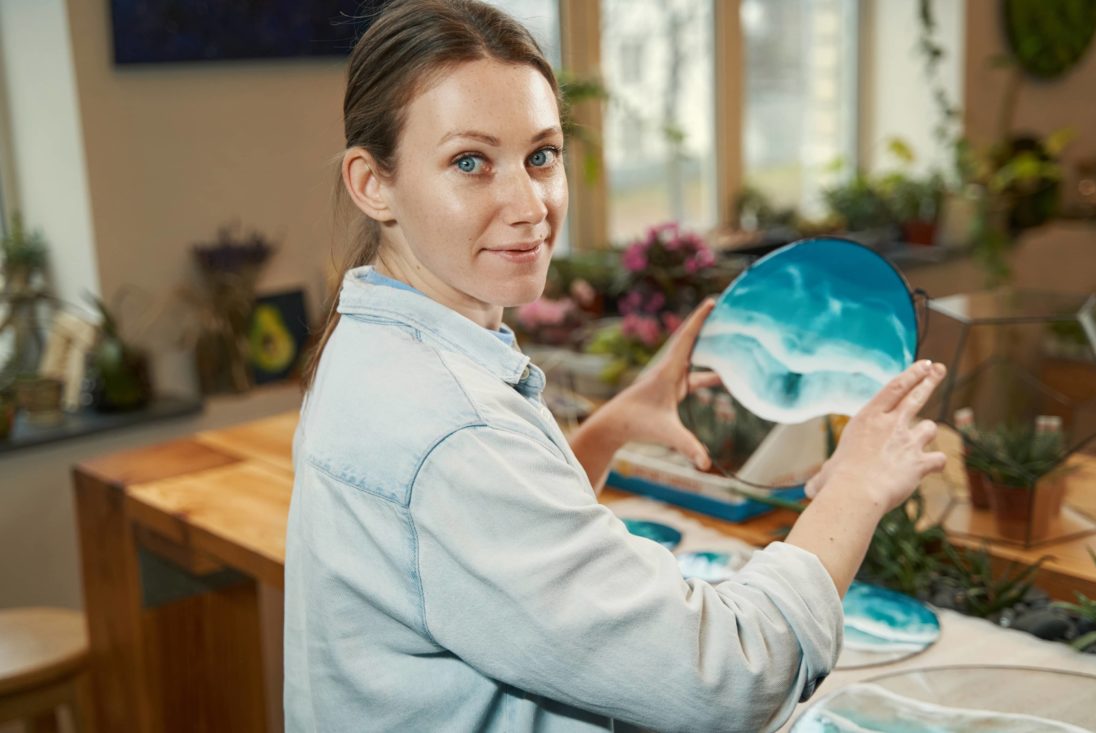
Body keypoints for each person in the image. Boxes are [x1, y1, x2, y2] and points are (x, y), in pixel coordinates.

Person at [283, 1, 948, 731]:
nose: (529, 203)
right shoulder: (452, 428)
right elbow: (729, 676)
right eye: (470, 163)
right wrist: (854, 487)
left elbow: (474, 561)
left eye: (541, 155)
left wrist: (608, 429)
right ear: (372, 183)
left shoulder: (374, 342)